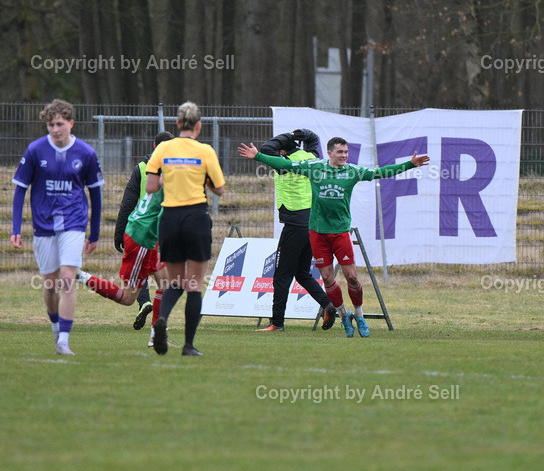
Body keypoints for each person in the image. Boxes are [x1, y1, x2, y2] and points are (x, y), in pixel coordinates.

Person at [238, 136, 429, 338]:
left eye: (346, 152)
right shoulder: (314, 167)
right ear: (329, 153)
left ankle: (359, 314)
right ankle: (344, 316)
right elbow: (286, 163)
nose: (344, 156)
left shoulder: (352, 171)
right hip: (317, 233)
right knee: (327, 278)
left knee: (352, 277)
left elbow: (379, 173)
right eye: (340, 152)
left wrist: (410, 164)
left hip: (340, 232)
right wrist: (258, 156)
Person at [10, 99, 104, 356]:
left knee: (67, 279)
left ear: (71, 123)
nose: (54, 129)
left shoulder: (85, 153)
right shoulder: (35, 150)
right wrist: (16, 228)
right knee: (50, 286)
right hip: (43, 226)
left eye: (59, 124)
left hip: (74, 223)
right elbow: (20, 191)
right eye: (50, 124)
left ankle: (64, 340)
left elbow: (95, 195)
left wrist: (94, 233)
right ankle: (55, 326)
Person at [76, 131, 175, 348]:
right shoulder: (168, 174)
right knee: (128, 297)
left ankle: (156, 336)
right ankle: (79, 275)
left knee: (166, 285)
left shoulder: (158, 170)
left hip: (148, 237)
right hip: (141, 237)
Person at [146, 102, 226, 356]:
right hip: (195, 217)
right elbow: (220, 189)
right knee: (194, 284)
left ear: (178, 124)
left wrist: (169, 176)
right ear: (199, 126)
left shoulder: (164, 148)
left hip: (169, 218)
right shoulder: (205, 151)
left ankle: (162, 320)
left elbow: (150, 187)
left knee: (175, 282)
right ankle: (189, 345)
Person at [256, 129, 334, 332]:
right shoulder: (310, 158)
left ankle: (277, 323)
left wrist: (288, 136)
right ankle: (327, 305)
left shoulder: (284, 163)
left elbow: (265, 148)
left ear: (282, 150)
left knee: (282, 276)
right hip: (312, 224)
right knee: (302, 273)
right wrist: (300, 134)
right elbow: (314, 139)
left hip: (294, 224)